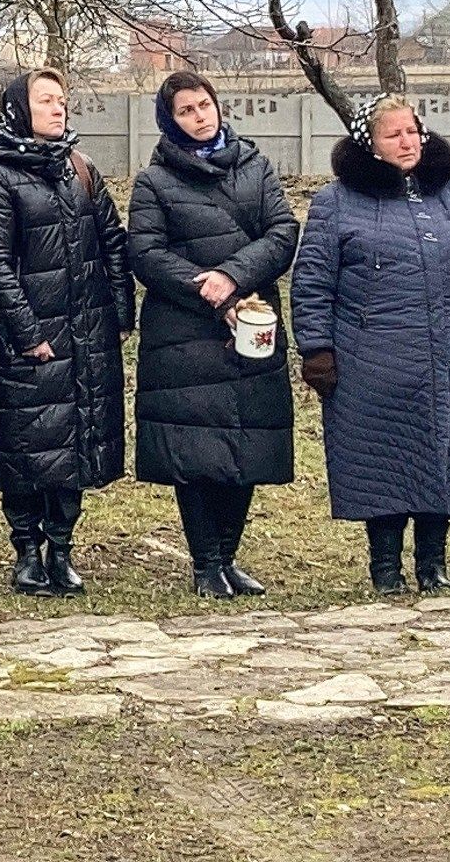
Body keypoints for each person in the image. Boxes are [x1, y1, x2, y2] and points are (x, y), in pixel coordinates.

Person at [290, 94, 450, 594]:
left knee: (446, 460)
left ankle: (434, 565)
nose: (407, 141)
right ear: (369, 145)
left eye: (412, 131)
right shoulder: (335, 203)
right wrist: (317, 350)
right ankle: (386, 569)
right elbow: (311, 283)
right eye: (393, 134)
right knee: (385, 461)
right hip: (373, 361)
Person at [126, 72, 298, 598]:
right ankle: (204, 563)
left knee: (249, 441)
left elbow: (283, 232)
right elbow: (146, 253)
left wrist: (235, 276)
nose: (200, 117)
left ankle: (228, 556)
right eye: (186, 111)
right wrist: (209, 289)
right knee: (195, 448)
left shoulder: (255, 166)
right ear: (169, 120)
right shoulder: (153, 182)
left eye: (205, 106)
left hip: (250, 324)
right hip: (184, 331)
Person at [0, 67, 133, 597]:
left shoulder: (78, 167)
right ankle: (26, 552)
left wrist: (120, 313)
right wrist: (27, 333)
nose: (58, 108)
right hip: (21, 339)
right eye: (45, 100)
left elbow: (112, 240)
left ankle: (61, 550)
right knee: (23, 446)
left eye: (62, 100)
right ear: (20, 109)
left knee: (74, 443)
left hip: (84, 334)